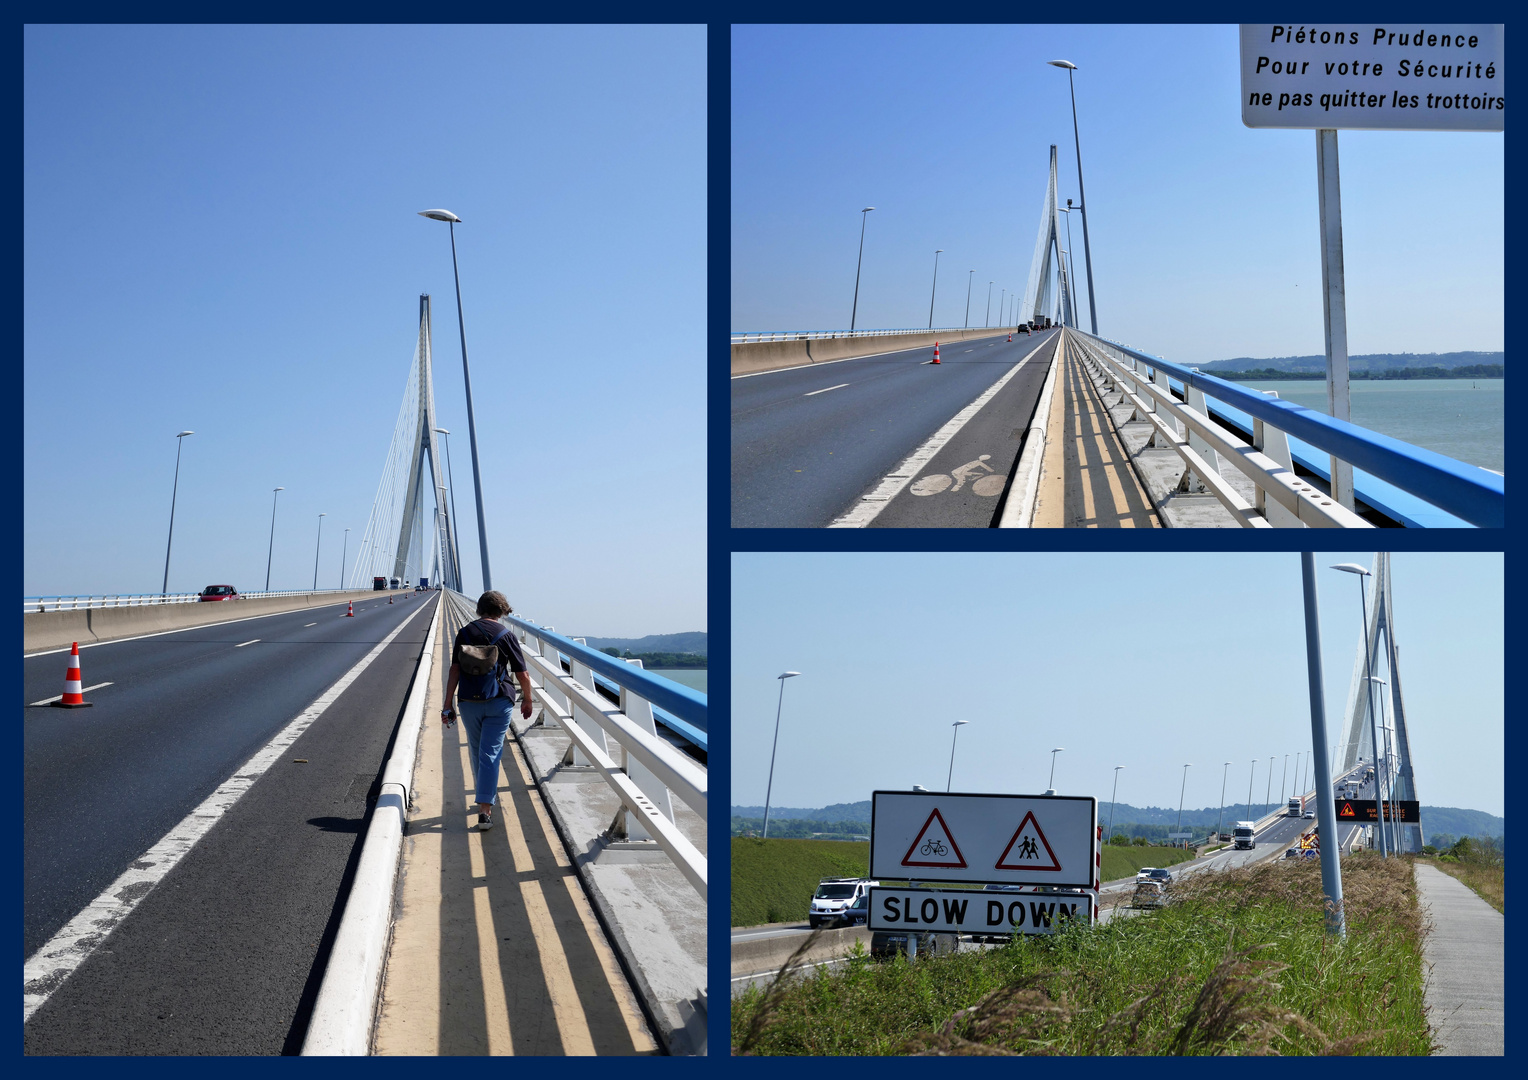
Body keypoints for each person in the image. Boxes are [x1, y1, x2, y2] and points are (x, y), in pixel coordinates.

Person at [441, 590, 534, 831]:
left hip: (468, 702)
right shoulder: (506, 635)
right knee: (490, 754)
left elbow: (455, 670)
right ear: (501, 611)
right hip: (498, 700)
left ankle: (483, 797)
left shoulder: (464, 633)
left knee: (476, 751)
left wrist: (447, 703)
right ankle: (485, 809)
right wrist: (528, 699)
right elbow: (522, 673)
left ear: (480, 609)